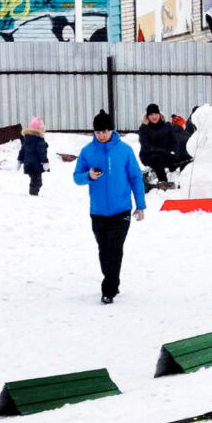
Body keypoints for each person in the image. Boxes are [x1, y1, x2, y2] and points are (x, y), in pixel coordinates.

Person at [73, 109, 146, 305]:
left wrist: (140, 205)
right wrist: (88, 176)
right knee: (104, 249)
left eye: (104, 131)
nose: (101, 135)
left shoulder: (124, 150)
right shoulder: (88, 151)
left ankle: (109, 289)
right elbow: (76, 177)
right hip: (97, 211)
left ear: (111, 130)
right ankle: (113, 279)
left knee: (115, 247)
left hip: (121, 209)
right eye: (97, 132)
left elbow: (135, 177)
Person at [138, 103, 179, 186]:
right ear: (147, 116)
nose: (154, 116)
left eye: (156, 114)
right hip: (149, 156)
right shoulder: (144, 128)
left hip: (166, 154)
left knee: (182, 156)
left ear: (159, 114)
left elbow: (174, 141)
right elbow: (147, 146)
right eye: (151, 114)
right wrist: (164, 151)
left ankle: (184, 180)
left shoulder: (167, 126)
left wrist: (174, 150)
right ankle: (164, 184)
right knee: (157, 159)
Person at [17, 116, 49, 196]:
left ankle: (33, 193)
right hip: (36, 165)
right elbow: (42, 153)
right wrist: (45, 163)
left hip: (28, 165)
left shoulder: (26, 139)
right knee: (37, 182)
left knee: (35, 180)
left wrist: (19, 161)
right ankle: (33, 195)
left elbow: (22, 151)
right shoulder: (39, 140)